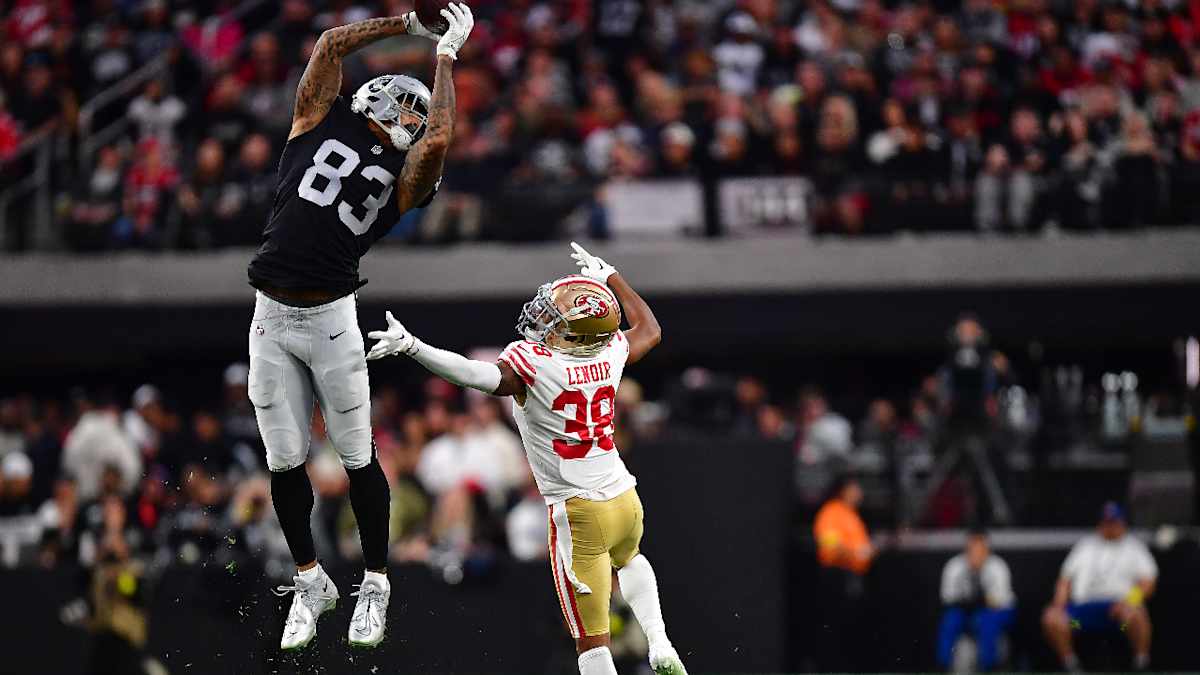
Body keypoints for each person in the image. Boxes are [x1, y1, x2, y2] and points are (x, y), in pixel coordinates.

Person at [244, 3, 475, 651]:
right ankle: (310, 580)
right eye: (406, 107)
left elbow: (435, 142)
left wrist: (446, 57)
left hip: (330, 317)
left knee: (356, 454)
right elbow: (329, 44)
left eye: (415, 110)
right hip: (270, 313)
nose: (411, 118)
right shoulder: (316, 117)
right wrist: (405, 24)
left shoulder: (408, 177)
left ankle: (375, 582)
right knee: (284, 459)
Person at [366, 243, 687, 675]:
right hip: (624, 497)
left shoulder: (536, 364)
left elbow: (474, 374)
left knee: (592, 645)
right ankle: (660, 640)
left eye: (556, 319)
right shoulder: (610, 353)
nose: (544, 321)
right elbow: (649, 329)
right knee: (630, 559)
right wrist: (612, 275)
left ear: (575, 335)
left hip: (579, 511)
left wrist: (413, 347)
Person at [1042, 502, 1158, 672]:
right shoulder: (1085, 546)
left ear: (1122, 523)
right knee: (1053, 618)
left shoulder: (1134, 548)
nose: (1110, 527)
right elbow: (1064, 580)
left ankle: (1140, 664)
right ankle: (1071, 665)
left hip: (1119, 621)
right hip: (1081, 621)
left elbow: (1148, 583)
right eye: (1106, 522)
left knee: (1136, 615)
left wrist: (1128, 602)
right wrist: (1059, 604)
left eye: (1114, 522)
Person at [812, 475, 873, 671]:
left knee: (851, 626)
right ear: (844, 490)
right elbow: (829, 544)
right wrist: (855, 552)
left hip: (853, 575)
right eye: (855, 488)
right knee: (834, 625)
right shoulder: (832, 512)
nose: (859, 492)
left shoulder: (851, 514)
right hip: (836, 575)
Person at [936, 528, 1016, 672]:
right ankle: (943, 666)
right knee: (950, 619)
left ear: (986, 549)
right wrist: (967, 601)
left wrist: (977, 601)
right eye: (972, 548)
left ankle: (989, 667)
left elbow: (999, 601)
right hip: (965, 610)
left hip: (998, 611)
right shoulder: (955, 566)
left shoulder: (997, 566)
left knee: (986, 620)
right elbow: (946, 597)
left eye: (980, 549)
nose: (976, 553)